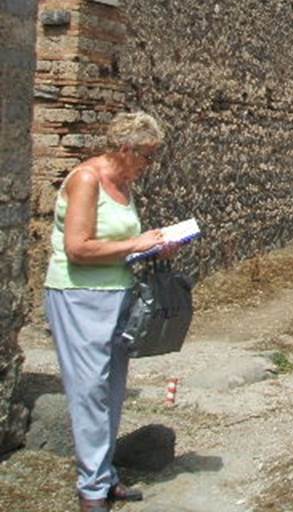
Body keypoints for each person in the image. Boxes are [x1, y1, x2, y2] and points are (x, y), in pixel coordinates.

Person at [44, 111, 176, 511]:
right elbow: (78, 248)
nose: (149, 166)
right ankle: (91, 490)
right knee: (89, 391)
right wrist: (136, 245)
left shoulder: (122, 184)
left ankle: (105, 474)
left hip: (118, 295)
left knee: (113, 390)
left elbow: (122, 241)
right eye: (147, 157)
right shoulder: (87, 180)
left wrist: (154, 246)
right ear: (125, 149)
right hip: (78, 296)